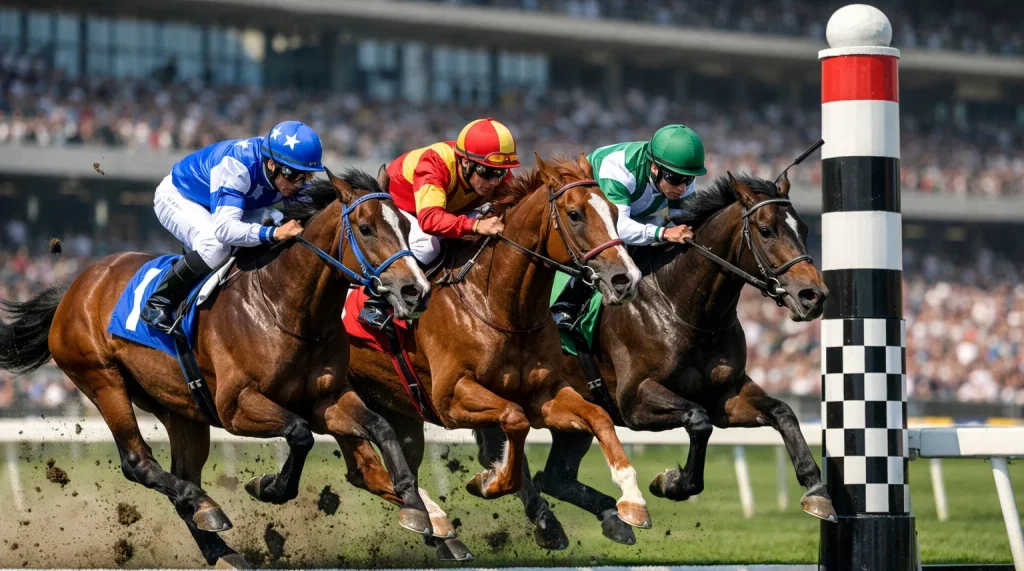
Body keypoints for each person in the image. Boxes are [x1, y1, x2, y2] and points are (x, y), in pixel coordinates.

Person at [140, 120, 324, 334]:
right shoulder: (237, 165)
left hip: (233, 203)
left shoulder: (287, 173)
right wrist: (273, 233)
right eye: (292, 175)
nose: (299, 184)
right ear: (272, 164)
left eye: (307, 176)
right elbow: (224, 230)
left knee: (276, 219)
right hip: (182, 197)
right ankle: (158, 303)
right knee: (215, 246)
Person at [358, 118, 521, 328]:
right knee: (427, 247)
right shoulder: (436, 162)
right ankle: (376, 302)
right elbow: (430, 220)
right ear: (464, 162)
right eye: (486, 172)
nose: (494, 182)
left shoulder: (494, 173)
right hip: (405, 208)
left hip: (445, 209)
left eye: (500, 173)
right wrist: (475, 226)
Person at [550, 124, 707, 331]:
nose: (682, 187)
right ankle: (567, 306)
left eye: (688, 179)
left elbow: (684, 221)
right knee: (616, 244)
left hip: (633, 212)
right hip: (594, 213)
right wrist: (664, 233)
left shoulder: (680, 178)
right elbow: (618, 228)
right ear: (654, 167)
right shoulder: (619, 168)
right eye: (675, 179)